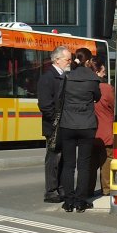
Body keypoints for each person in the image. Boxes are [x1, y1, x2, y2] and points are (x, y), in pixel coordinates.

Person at [58, 47, 101, 212]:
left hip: (67, 124)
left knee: (68, 164)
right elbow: (97, 97)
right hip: (87, 124)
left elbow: (59, 96)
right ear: (88, 61)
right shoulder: (93, 77)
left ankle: (68, 201)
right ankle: (81, 201)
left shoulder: (67, 76)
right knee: (84, 164)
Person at [38, 46, 71, 203]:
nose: (70, 62)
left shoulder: (64, 76)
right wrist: (55, 121)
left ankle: (61, 188)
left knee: (63, 158)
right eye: (67, 59)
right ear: (57, 60)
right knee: (53, 158)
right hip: (53, 126)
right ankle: (51, 191)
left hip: (64, 124)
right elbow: (45, 105)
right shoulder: (48, 77)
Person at [91, 55, 115, 196]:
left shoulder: (85, 87)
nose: (105, 74)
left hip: (90, 131)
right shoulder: (106, 88)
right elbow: (114, 106)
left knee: (90, 162)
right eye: (103, 71)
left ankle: (87, 189)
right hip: (106, 130)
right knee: (107, 160)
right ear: (98, 71)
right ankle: (107, 189)